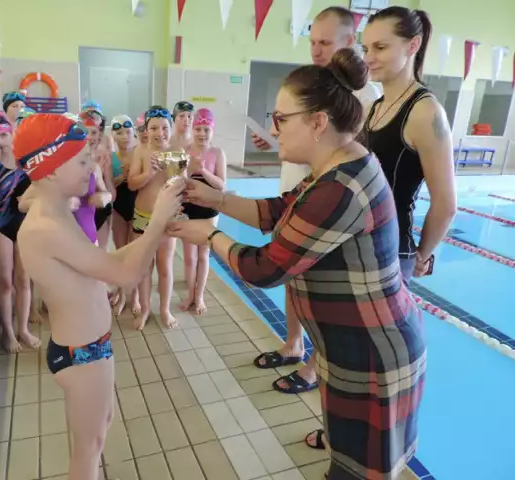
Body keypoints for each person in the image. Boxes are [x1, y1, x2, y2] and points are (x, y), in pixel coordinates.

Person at [169, 48, 426, 480]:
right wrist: (217, 200)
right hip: (354, 344)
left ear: (318, 121)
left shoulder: (339, 187)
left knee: (360, 472)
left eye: (281, 118)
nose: (274, 129)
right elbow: (280, 210)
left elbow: (265, 268)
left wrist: (209, 235)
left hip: (372, 352)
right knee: (349, 456)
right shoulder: (337, 164)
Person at [14, 113, 184, 480]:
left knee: (100, 429)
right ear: (52, 169)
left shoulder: (59, 214)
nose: (91, 164)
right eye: (81, 160)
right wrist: (157, 222)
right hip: (81, 354)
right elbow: (124, 273)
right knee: (87, 454)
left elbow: (108, 265)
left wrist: (154, 228)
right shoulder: (46, 226)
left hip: (91, 346)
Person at [251, 6, 383, 397]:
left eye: (325, 42)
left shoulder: (365, 95)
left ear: (348, 42)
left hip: (331, 207)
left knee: (324, 296)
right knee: (295, 278)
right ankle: (294, 344)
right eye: (312, 41)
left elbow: (348, 157)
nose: (316, 49)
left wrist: (209, 236)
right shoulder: (313, 86)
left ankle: (314, 365)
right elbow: (313, 142)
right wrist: (276, 140)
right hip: (296, 191)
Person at [362, 6, 456, 280]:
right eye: (366, 48)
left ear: (412, 45)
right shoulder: (374, 107)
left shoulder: (425, 112)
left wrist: (422, 254)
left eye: (380, 47)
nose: (369, 58)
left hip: (391, 254)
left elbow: (446, 204)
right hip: (359, 247)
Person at [0, 110, 40, 352]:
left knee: (24, 279)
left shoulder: (23, 155)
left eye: (4, 135)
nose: (0, 141)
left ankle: (23, 329)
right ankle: (8, 332)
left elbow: (39, 185)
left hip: (24, 222)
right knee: (5, 282)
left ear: (11, 133)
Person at [128, 107, 180, 330]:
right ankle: (146, 308)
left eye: (165, 127)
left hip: (168, 217)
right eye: (154, 128)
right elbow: (131, 184)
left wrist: (172, 171)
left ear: (171, 129)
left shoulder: (177, 152)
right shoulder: (140, 151)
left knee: (165, 267)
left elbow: (182, 185)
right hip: (142, 217)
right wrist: (149, 172)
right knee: (144, 267)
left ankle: (165, 309)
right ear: (146, 131)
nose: (160, 132)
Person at [180, 108, 227, 314]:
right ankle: (190, 293)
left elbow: (221, 185)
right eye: (198, 128)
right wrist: (191, 167)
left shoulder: (217, 153)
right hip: (188, 209)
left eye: (206, 129)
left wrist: (204, 170)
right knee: (189, 257)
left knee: (203, 255)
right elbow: (180, 181)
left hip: (209, 210)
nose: (201, 133)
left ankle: (199, 296)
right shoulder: (184, 151)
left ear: (212, 130)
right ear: (193, 129)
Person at [110, 114, 140, 316]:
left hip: (137, 207)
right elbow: (104, 185)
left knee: (136, 255)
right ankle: (121, 294)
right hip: (118, 209)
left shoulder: (140, 154)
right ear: (113, 136)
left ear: (133, 133)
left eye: (128, 132)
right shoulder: (110, 158)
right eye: (119, 133)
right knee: (121, 254)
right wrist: (118, 179)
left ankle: (135, 297)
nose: (124, 137)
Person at [82, 115, 115, 251]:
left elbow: (111, 195)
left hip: (99, 212)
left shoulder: (104, 157)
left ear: (100, 134)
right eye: (86, 132)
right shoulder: (69, 160)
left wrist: (105, 173)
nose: (90, 137)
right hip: (80, 215)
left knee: (102, 254)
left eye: (94, 132)